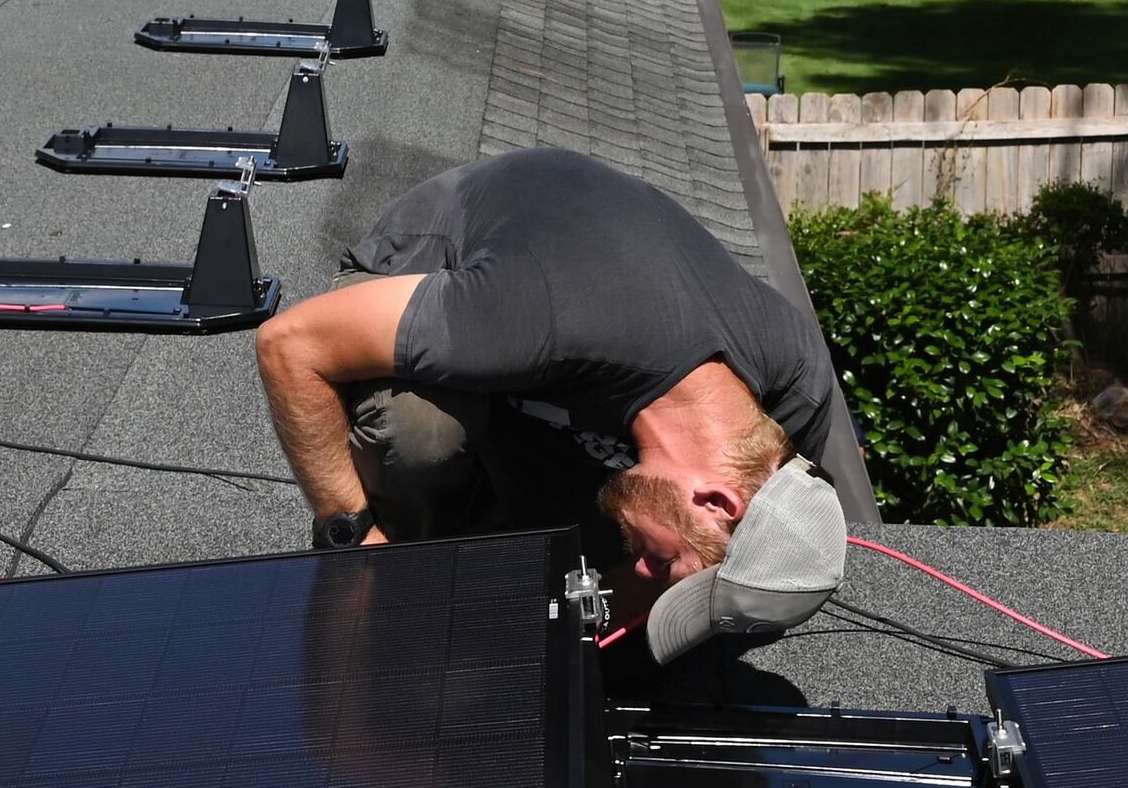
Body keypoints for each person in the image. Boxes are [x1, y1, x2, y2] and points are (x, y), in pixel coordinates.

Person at [255, 146, 848, 661]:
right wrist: (355, 538)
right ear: (717, 500)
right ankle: (408, 570)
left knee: (615, 615)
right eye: (665, 568)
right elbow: (289, 346)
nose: (647, 574)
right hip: (441, 268)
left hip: (555, 362)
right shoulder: (536, 315)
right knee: (418, 436)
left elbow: (645, 594)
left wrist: (592, 634)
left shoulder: (792, 405)